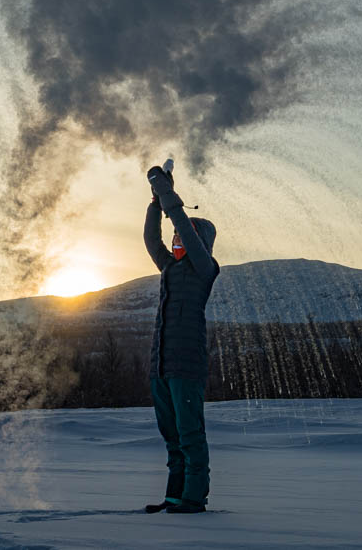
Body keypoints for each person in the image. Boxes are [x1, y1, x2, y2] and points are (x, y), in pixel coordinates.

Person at [143, 163, 220, 515]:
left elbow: (184, 230)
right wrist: (155, 202)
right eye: (175, 238)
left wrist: (170, 198)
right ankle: (175, 495)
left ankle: (194, 496)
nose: (176, 241)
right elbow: (150, 240)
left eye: (182, 237)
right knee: (172, 436)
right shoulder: (170, 267)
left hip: (186, 364)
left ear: (197, 242)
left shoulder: (205, 268)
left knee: (190, 434)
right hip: (161, 364)